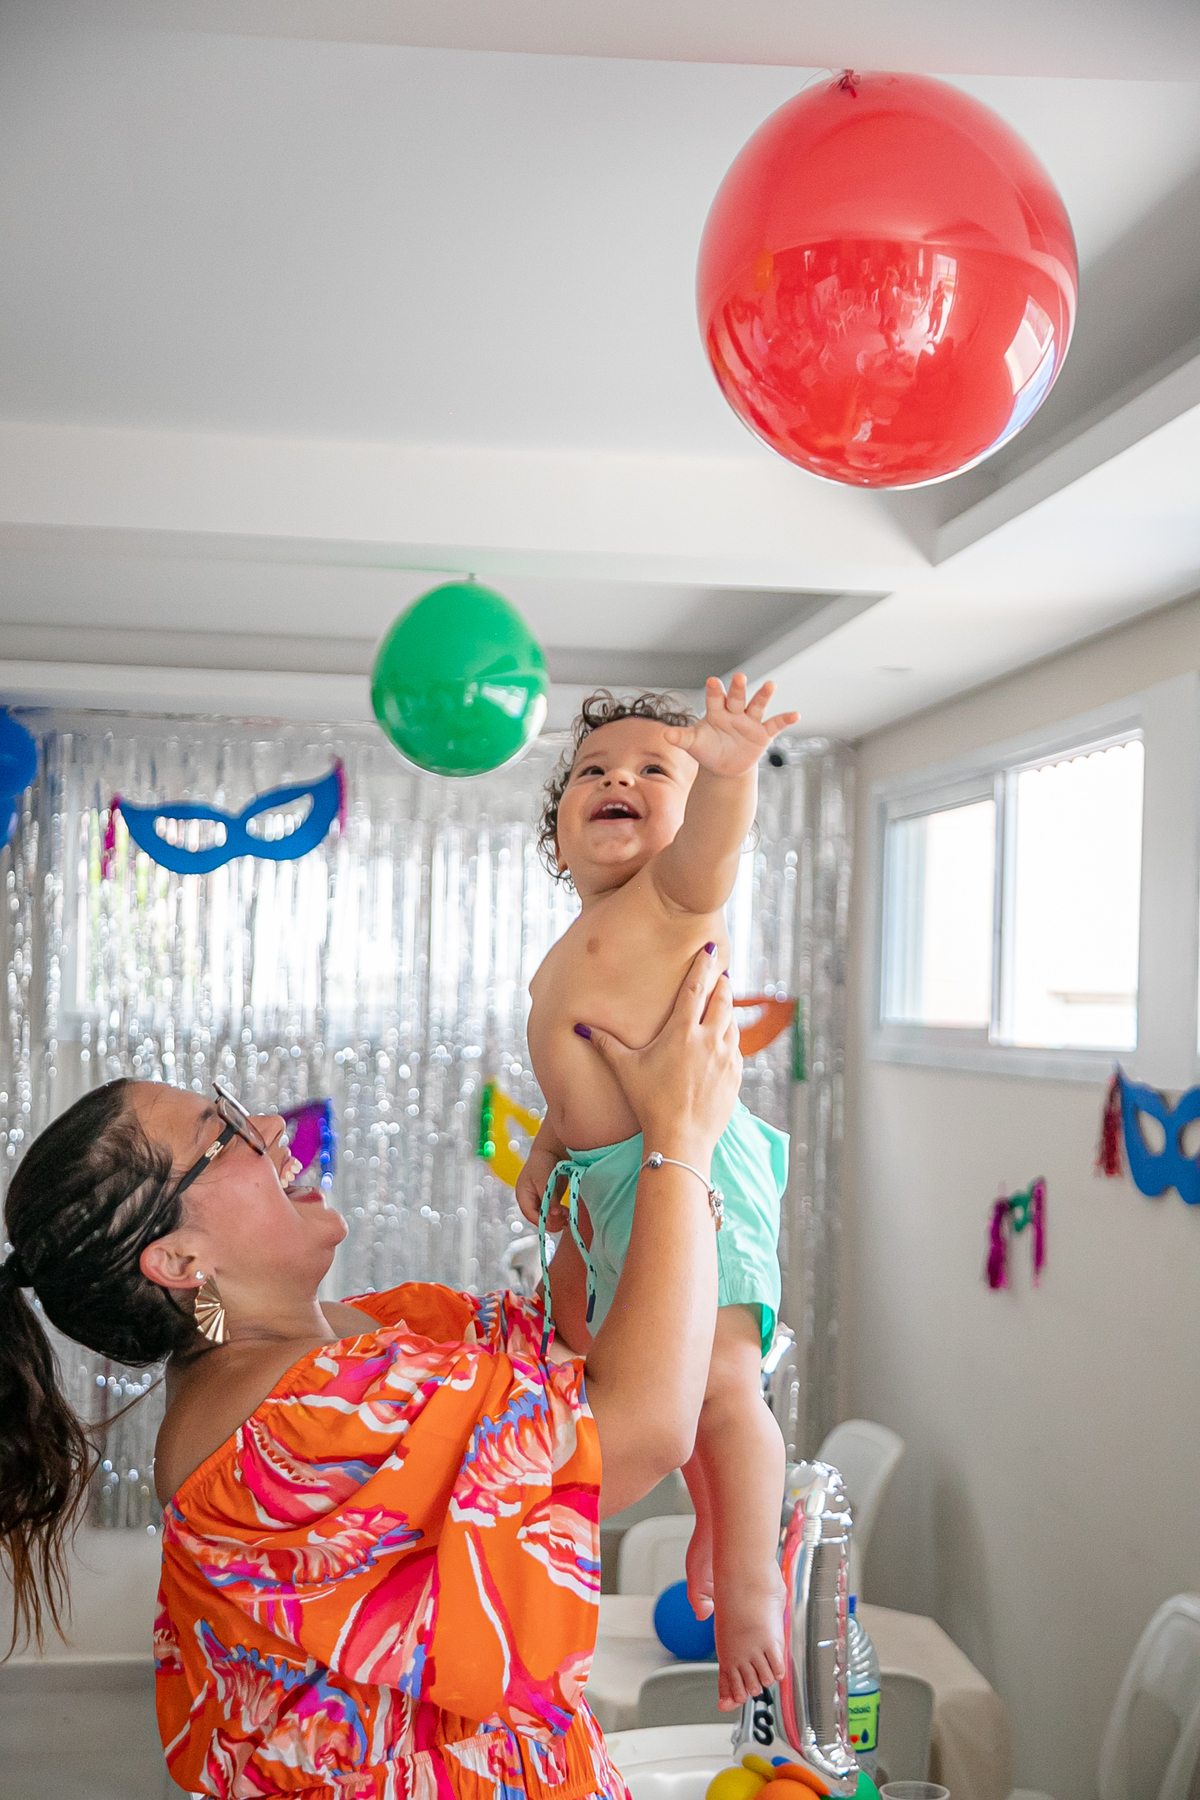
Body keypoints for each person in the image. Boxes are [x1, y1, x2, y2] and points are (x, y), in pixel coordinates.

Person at [0, 946, 740, 1800]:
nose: (270, 1128)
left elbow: (581, 1342)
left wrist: (591, 1128)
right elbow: (642, 1428)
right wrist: (681, 1139)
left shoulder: (364, 1334)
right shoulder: (284, 1430)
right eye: (223, 1133)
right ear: (180, 1258)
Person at [517, 677, 798, 1711]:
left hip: (696, 1169)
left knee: (723, 1385)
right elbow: (583, 1053)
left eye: (651, 770)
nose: (616, 779)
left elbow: (710, 848)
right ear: (558, 834)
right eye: (592, 771)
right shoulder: (575, 946)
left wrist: (724, 769)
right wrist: (551, 1142)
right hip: (620, 1179)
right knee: (645, 1382)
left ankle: (757, 1583)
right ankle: (716, 1531)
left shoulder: (675, 899)